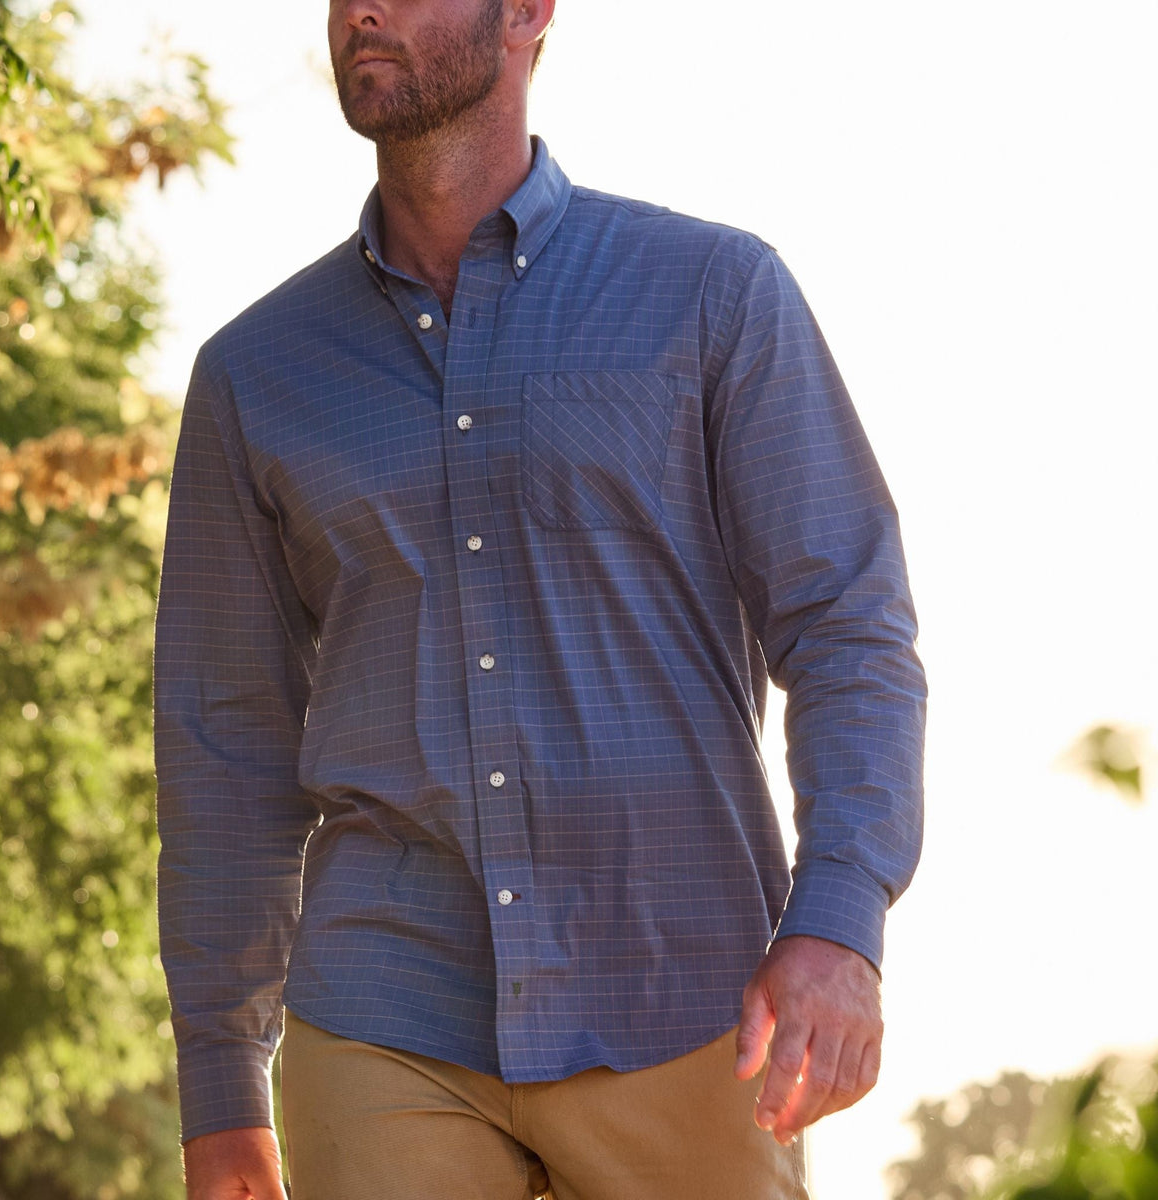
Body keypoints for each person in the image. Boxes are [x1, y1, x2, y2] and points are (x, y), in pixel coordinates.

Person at [153, 1, 927, 1197]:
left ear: (525, 11)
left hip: (683, 1004)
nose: (361, 9)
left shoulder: (713, 297)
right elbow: (224, 744)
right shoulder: (256, 375)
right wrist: (218, 1089)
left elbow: (850, 626)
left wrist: (838, 921)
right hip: (383, 1016)